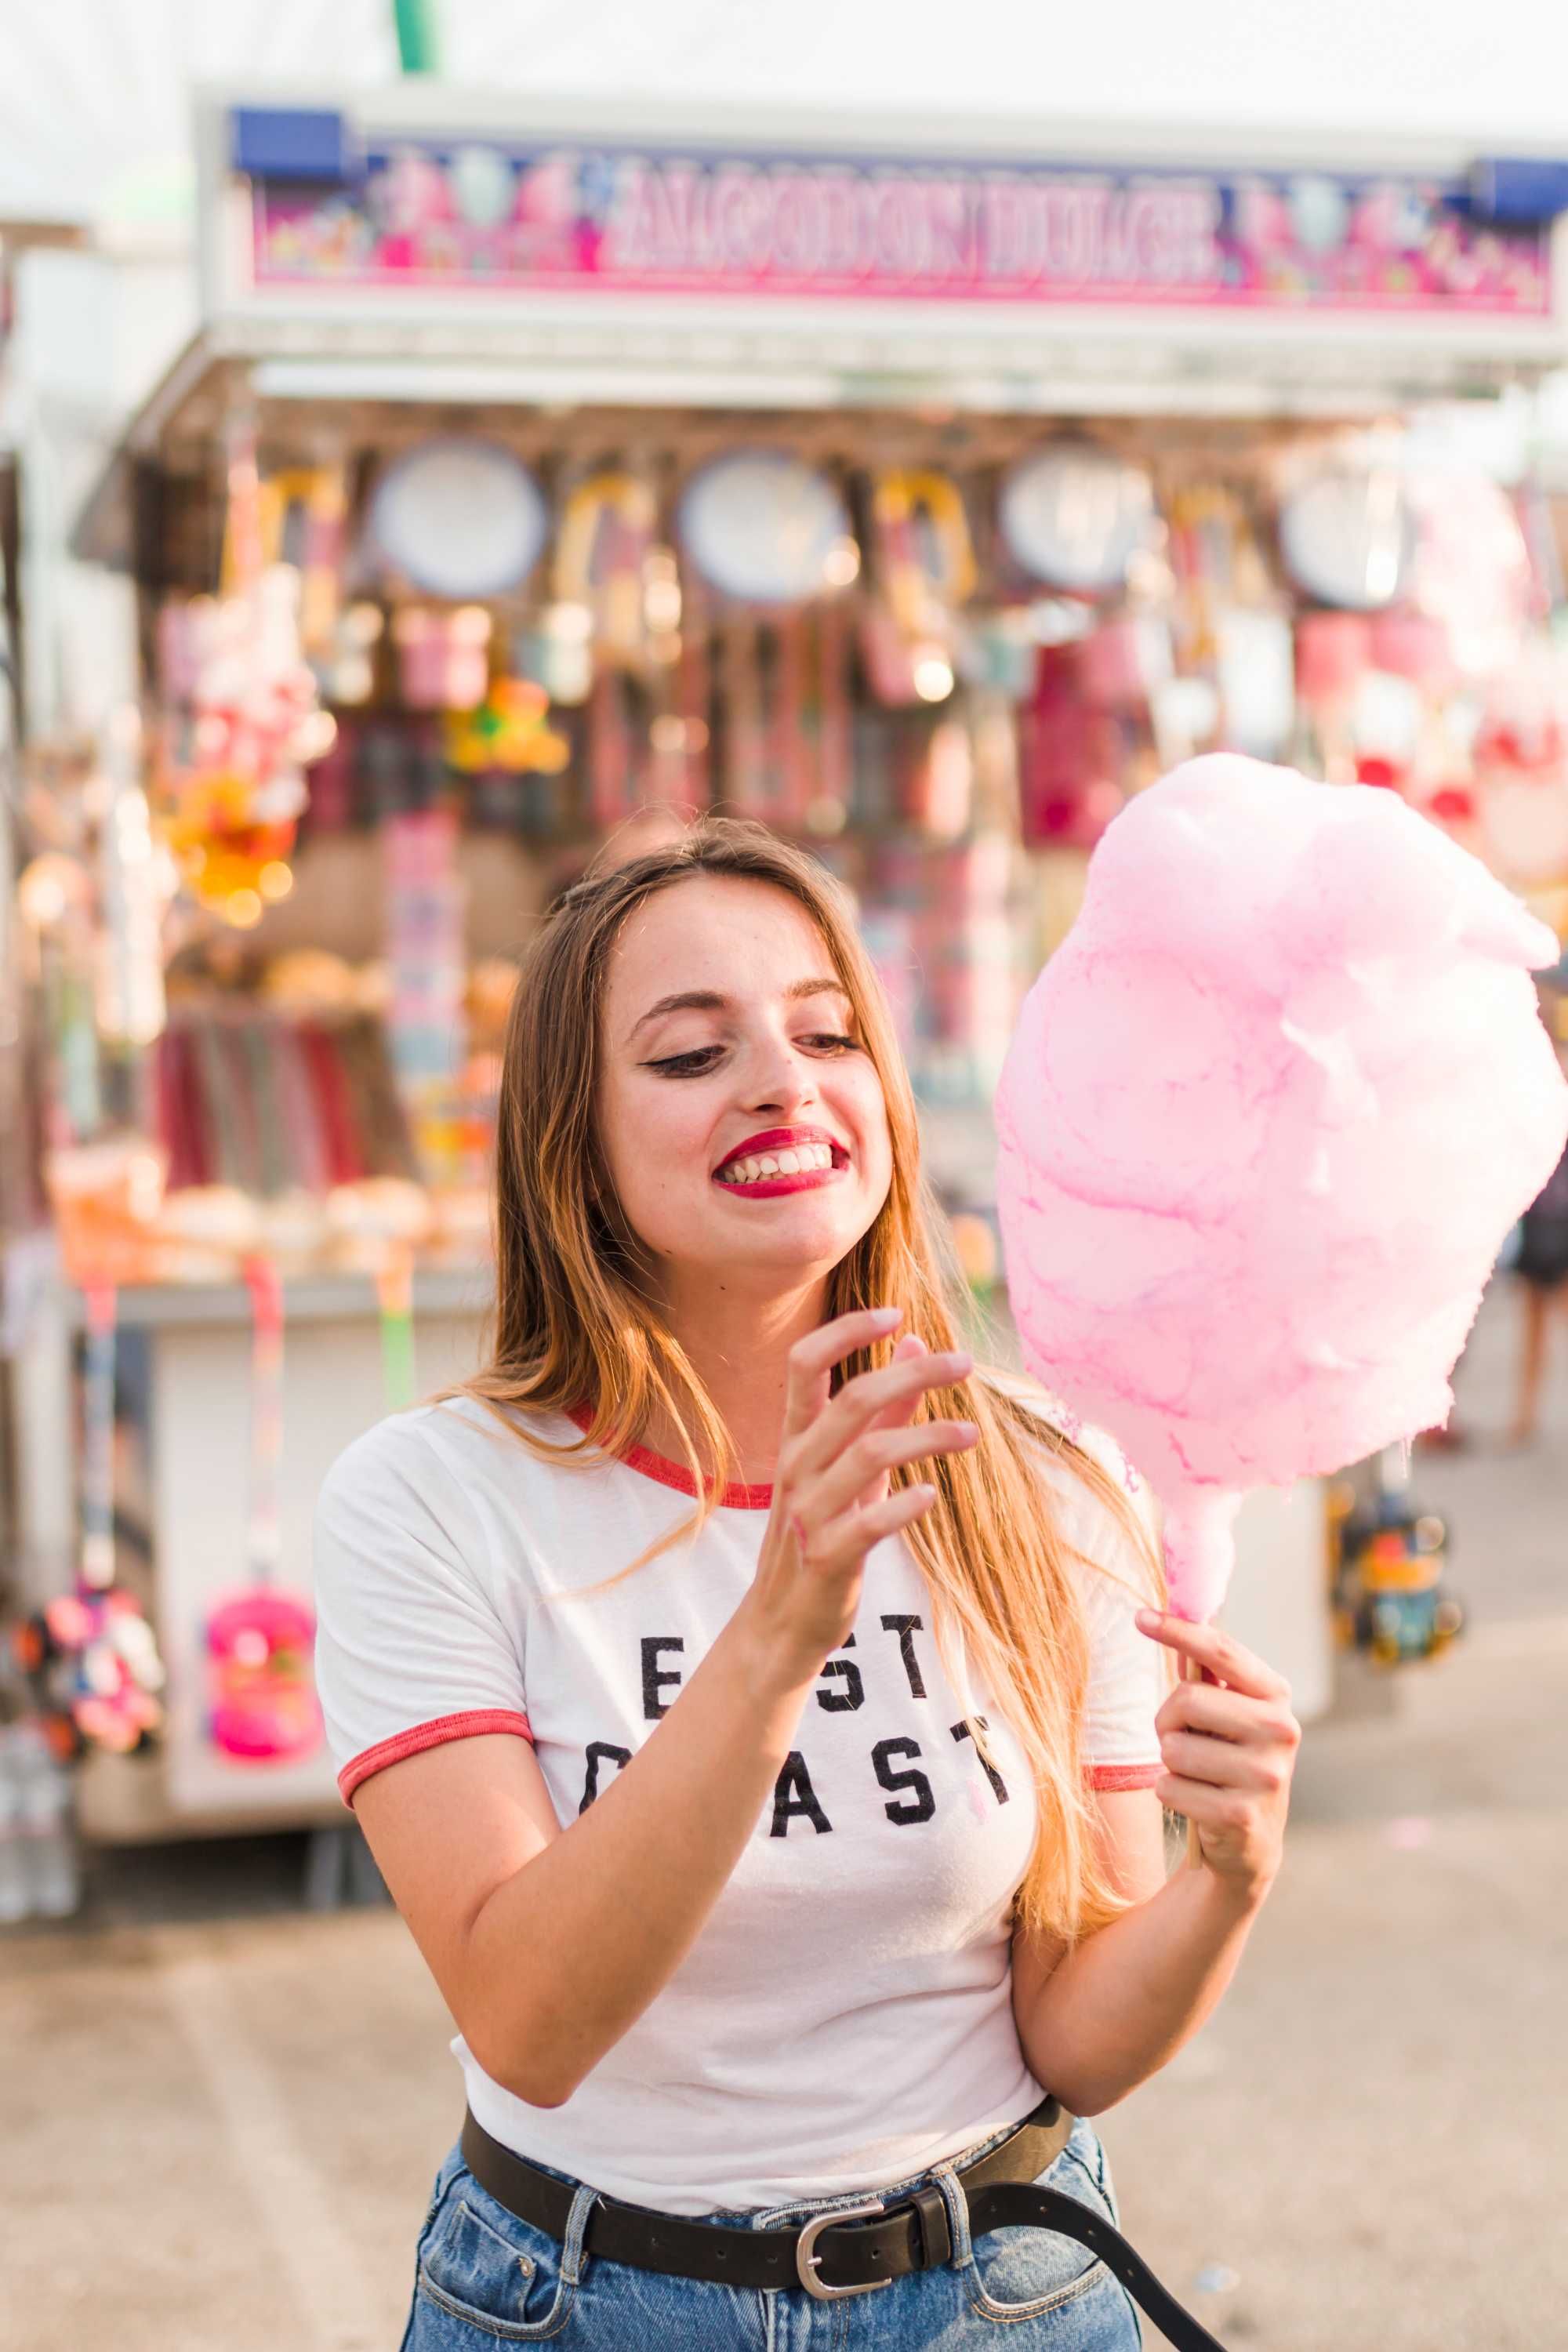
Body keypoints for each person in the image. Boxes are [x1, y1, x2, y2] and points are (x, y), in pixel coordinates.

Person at [314, 818, 1301, 2350]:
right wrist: (777, 1633)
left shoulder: (1040, 1480)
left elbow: (1075, 2032)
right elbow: (530, 2022)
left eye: (827, 1032)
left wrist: (1230, 1874)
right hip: (583, 2303)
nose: (782, 1080)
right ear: (571, 1136)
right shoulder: (433, 1499)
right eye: (691, 1053)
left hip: (1003, 2287)